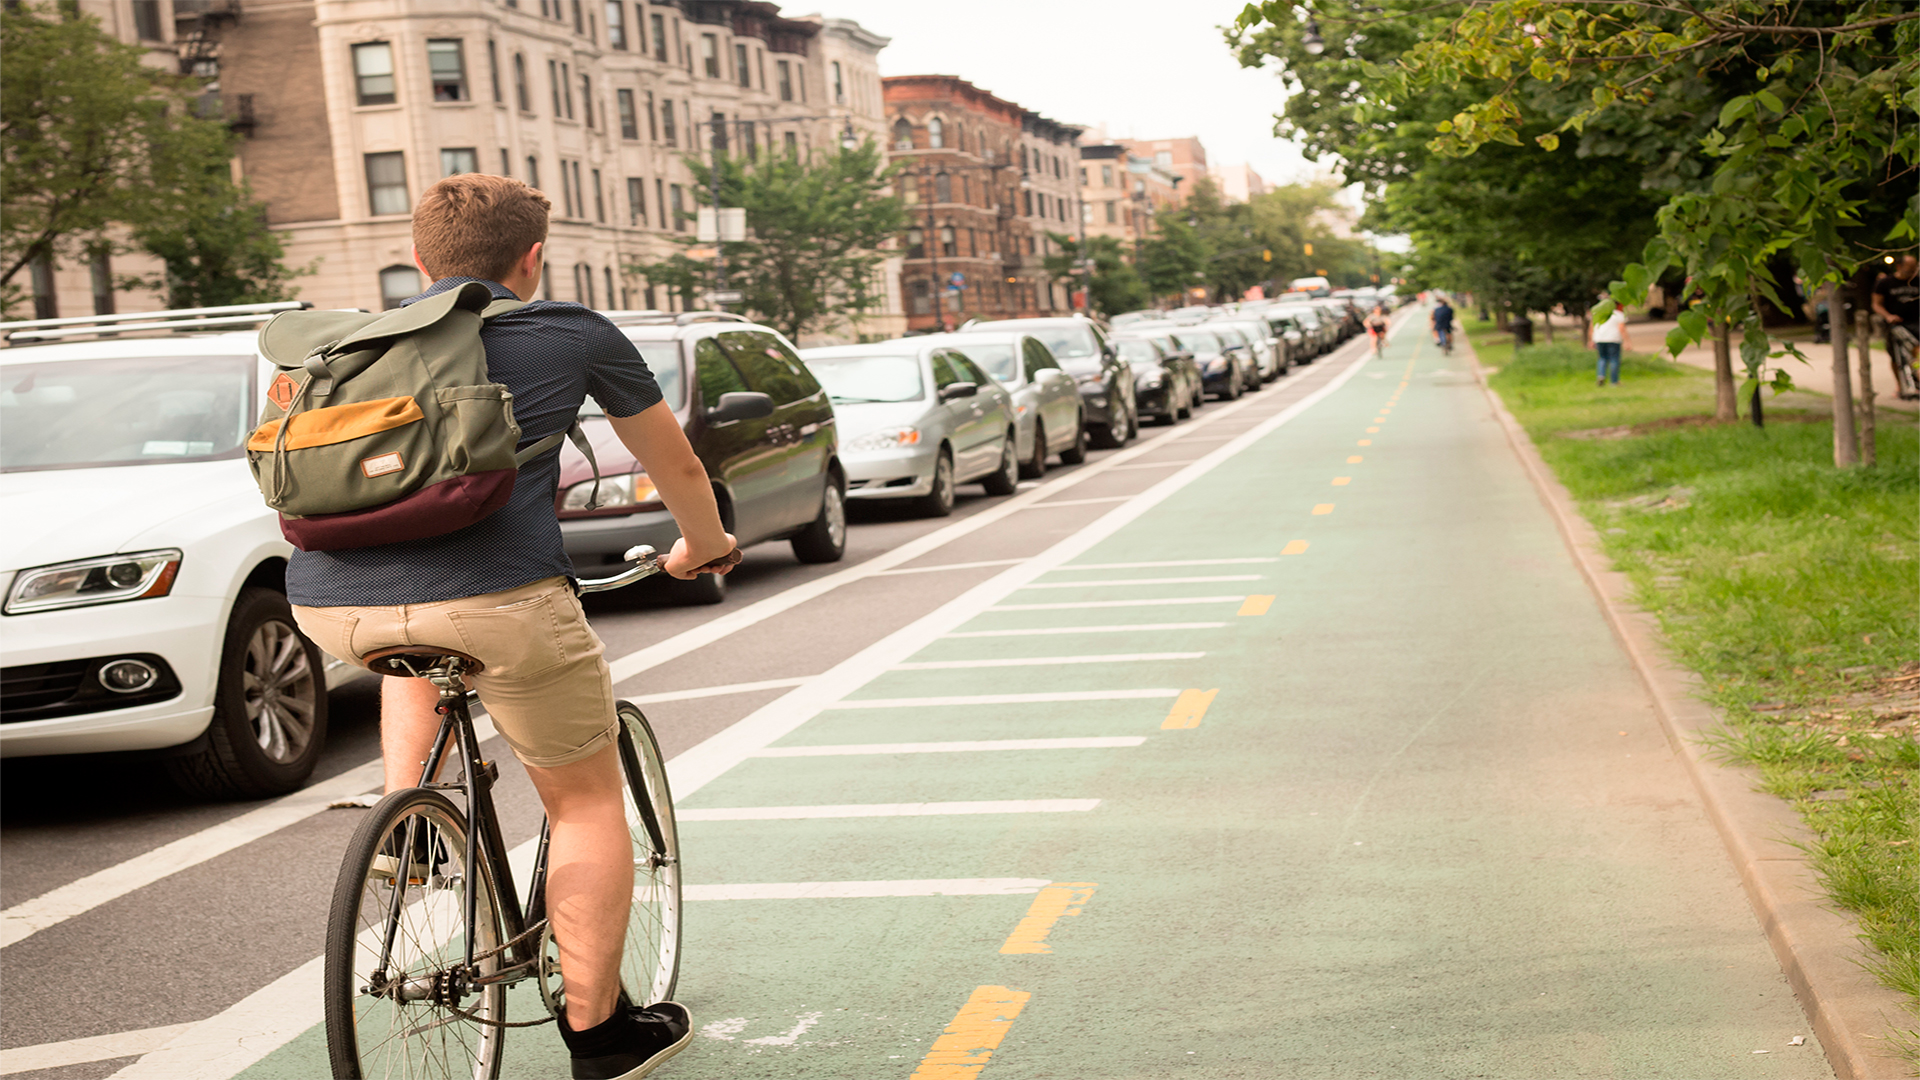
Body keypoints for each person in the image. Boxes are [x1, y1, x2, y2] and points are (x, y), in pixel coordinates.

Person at [288, 175, 737, 1079]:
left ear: (417, 261)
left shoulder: (333, 345)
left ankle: (408, 821)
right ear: (533, 257)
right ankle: (599, 1033)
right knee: (582, 799)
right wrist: (706, 543)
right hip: (506, 600)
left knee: (410, 650)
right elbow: (678, 463)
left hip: (330, 606)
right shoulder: (570, 332)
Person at [1872, 253, 1919, 399]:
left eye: (1914, 267)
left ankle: (1915, 382)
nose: (1912, 271)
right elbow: (1876, 304)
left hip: (1916, 323)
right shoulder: (1885, 283)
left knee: (1915, 350)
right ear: (1899, 266)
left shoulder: (1917, 281)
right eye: (1909, 268)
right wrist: (1888, 316)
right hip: (1895, 325)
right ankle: (1899, 385)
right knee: (1894, 357)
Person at [1592, 304, 1631, 387]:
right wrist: (1627, 341)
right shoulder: (1618, 314)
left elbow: (1592, 326)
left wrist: (1591, 340)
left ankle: (1601, 375)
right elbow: (1621, 328)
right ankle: (1614, 381)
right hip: (1613, 339)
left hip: (1599, 338)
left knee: (1602, 358)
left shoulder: (1599, 313)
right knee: (1614, 359)